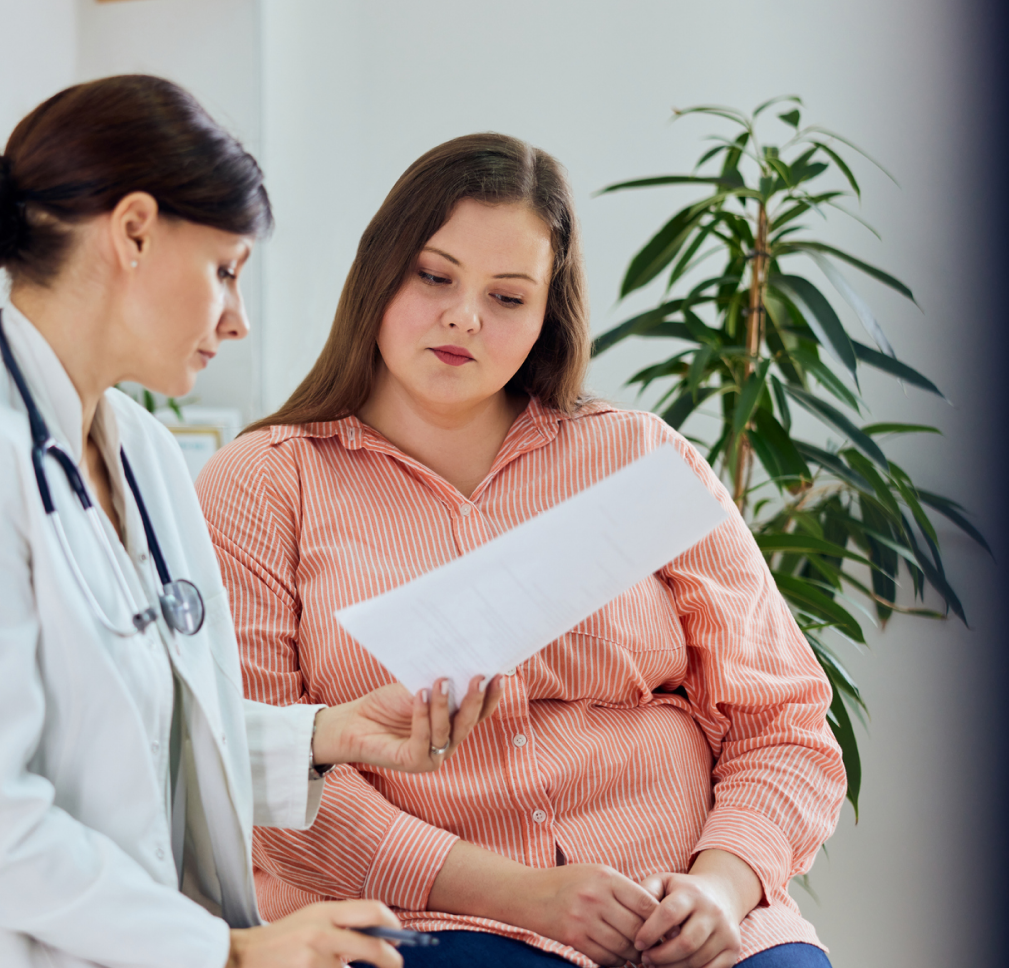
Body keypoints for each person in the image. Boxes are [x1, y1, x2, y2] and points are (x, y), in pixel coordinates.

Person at [0, 77, 503, 968]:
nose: (239, 321)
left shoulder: (143, 454)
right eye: (225, 272)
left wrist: (327, 734)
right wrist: (233, 951)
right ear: (133, 231)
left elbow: (136, 724)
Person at [195, 134, 847, 968]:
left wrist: (718, 889)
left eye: (508, 297)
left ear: (547, 315)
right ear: (379, 273)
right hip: (432, 921)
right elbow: (260, 775)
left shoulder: (639, 460)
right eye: (435, 276)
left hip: (686, 912)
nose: (464, 316)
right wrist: (524, 895)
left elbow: (783, 720)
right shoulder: (261, 483)